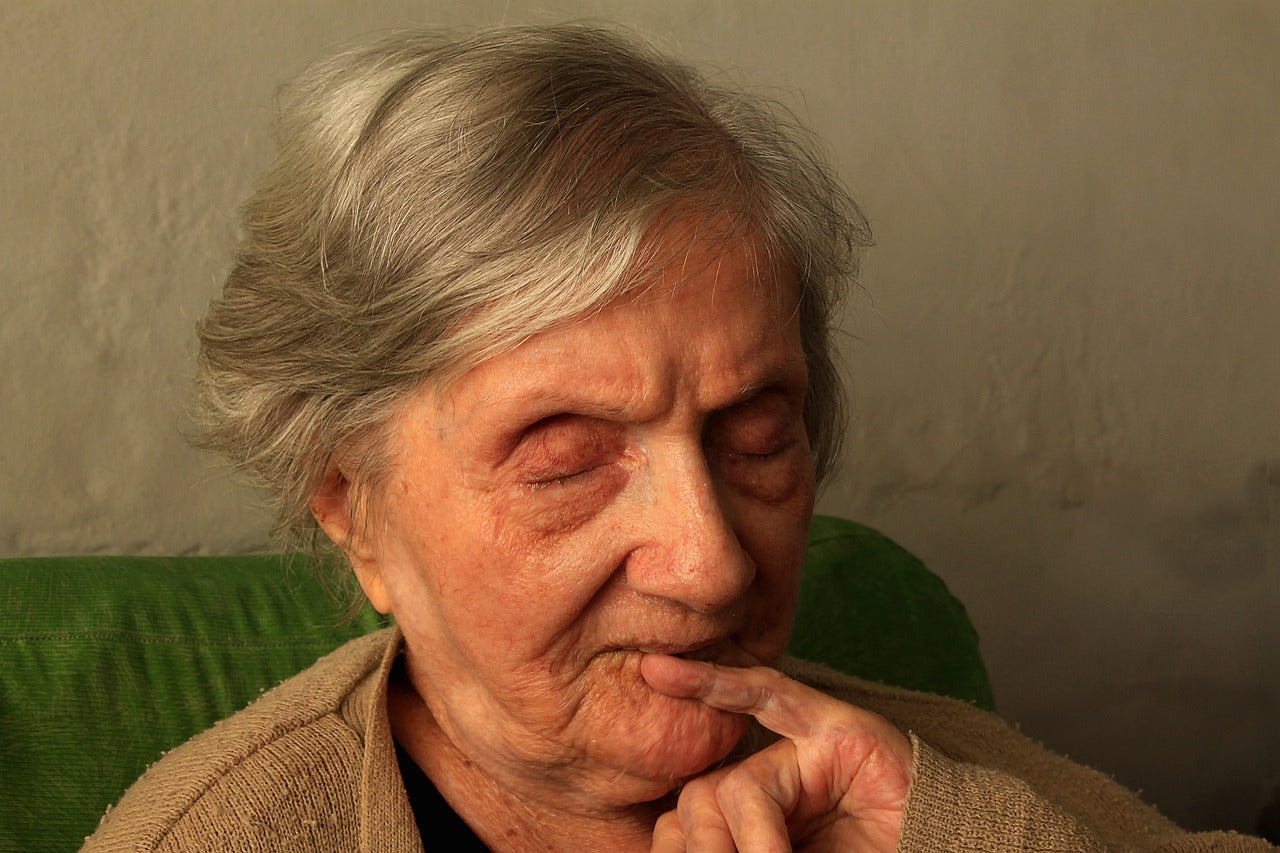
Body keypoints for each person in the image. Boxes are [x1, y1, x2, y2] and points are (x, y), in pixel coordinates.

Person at [83, 25, 1270, 852]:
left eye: (756, 437)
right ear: (355, 506)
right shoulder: (217, 833)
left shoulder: (928, 784)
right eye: (563, 459)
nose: (713, 564)